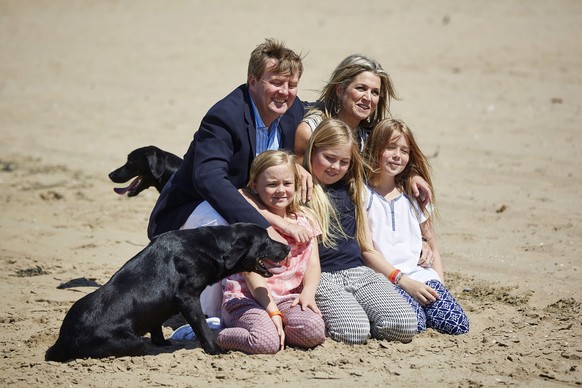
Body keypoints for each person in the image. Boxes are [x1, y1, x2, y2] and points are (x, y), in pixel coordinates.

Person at [147, 38, 309, 241]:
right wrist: (264, 228)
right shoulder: (224, 117)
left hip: (260, 204)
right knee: (239, 232)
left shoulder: (293, 109)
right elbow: (209, 178)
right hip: (195, 208)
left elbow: (323, 115)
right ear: (253, 82)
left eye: (292, 85)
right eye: (276, 83)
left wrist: (299, 164)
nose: (284, 92)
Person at [301, 118, 440, 345]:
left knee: (405, 324)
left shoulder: (353, 185)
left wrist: (413, 175)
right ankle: (353, 318)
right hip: (322, 276)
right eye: (328, 158)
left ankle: (362, 315)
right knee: (354, 331)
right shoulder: (301, 187)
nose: (335, 167)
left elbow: (388, 169)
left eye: (343, 161)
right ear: (312, 150)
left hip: (359, 272)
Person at [363, 118, 469, 335]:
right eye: (390, 148)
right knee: (415, 325)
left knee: (458, 325)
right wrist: (404, 282)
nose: (397, 155)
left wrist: (439, 282)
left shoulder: (413, 195)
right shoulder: (364, 195)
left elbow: (432, 244)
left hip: (421, 276)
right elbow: (367, 251)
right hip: (389, 280)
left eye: (404, 150)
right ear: (375, 149)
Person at [213, 150, 325, 354]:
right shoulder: (249, 223)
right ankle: (215, 335)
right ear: (255, 186)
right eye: (272, 184)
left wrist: (308, 293)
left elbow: (313, 264)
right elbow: (250, 273)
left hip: (287, 298)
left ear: (296, 185)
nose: (281, 190)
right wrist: (272, 311)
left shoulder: (305, 219)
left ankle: (278, 330)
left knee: (313, 330)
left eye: (287, 184)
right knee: (264, 343)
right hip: (246, 299)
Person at [295, 54, 397, 161]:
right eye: (361, 88)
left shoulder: (372, 139)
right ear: (340, 90)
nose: (368, 98)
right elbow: (300, 174)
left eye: (375, 92)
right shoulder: (311, 130)